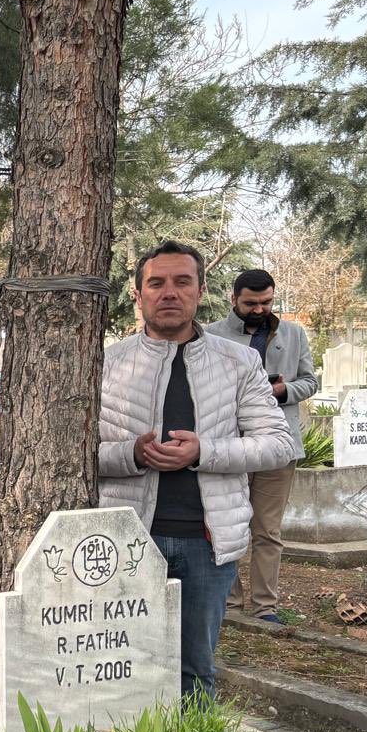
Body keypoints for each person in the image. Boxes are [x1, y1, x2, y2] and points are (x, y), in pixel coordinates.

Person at [99, 241, 294, 697]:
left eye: (182, 281)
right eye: (156, 283)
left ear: (201, 290)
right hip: (127, 541)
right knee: (123, 673)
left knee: (195, 673)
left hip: (206, 544)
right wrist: (131, 454)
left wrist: (203, 451)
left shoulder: (239, 361)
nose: (169, 292)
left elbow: (278, 444)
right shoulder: (107, 363)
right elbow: (72, 455)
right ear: (138, 294)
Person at [206, 268, 319, 621]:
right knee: (226, 527)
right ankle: (229, 603)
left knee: (267, 530)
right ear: (234, 299)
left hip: (278, 446)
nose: (259, 309)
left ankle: (265, 606)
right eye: (251, 303)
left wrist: (282, 391)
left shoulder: (293, 333)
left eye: (266, 302)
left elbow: (310, 381)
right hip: (229, 447)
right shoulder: (210, 335)